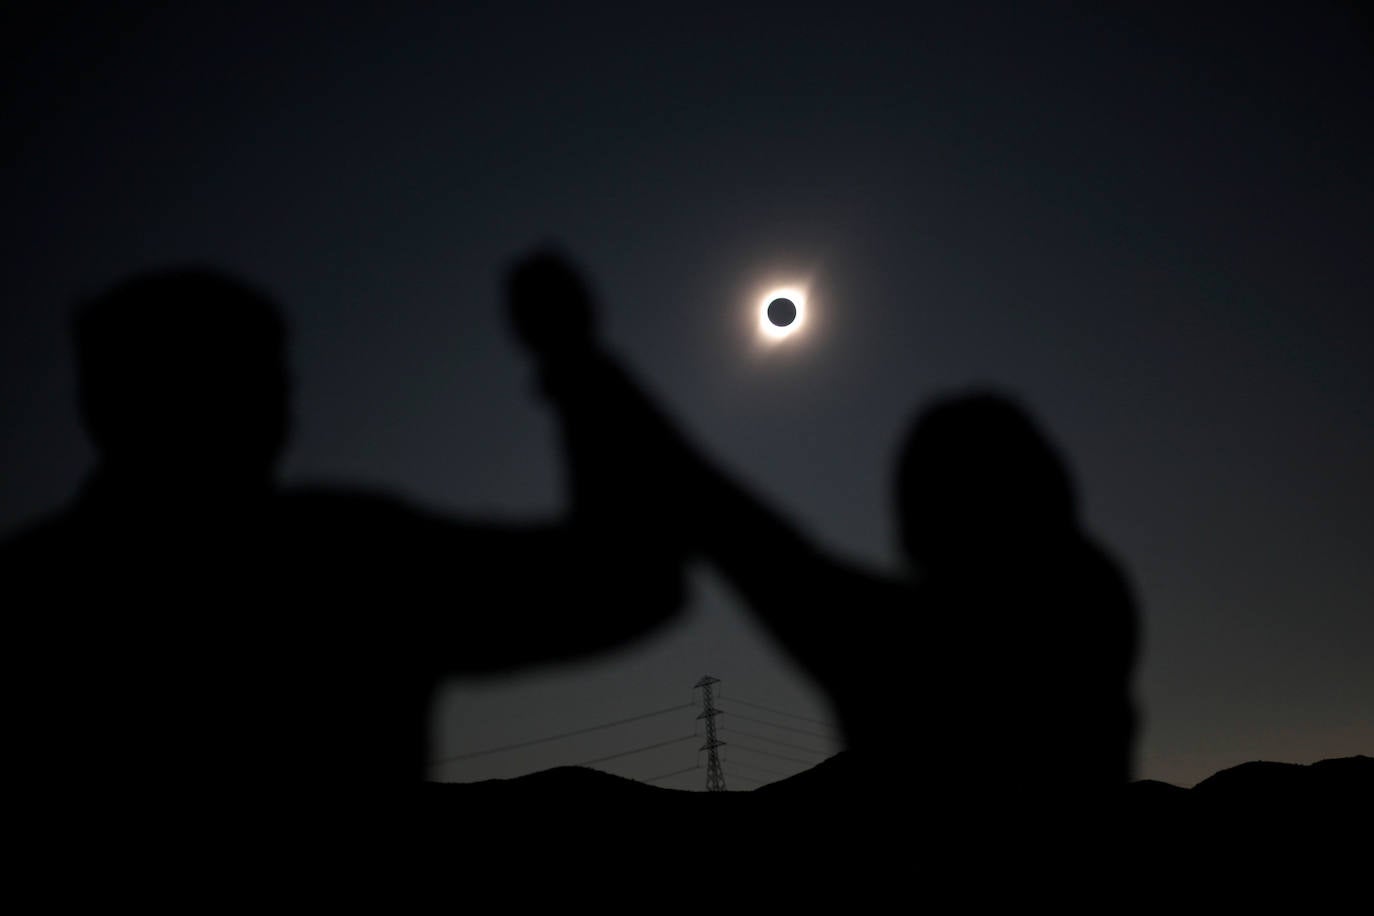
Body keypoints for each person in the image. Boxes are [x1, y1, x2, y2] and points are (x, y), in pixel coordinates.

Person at [0, 267, 685, 845]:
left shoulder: (34, 595)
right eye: (266, 381)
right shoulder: (352, 559)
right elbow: (630, 583)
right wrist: (572, 360)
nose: (286, 403)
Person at [506, 249, 1140, 831]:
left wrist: (577, 362)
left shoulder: (917, 657)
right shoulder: (1090, 604)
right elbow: (744, 532)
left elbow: (741, 533)